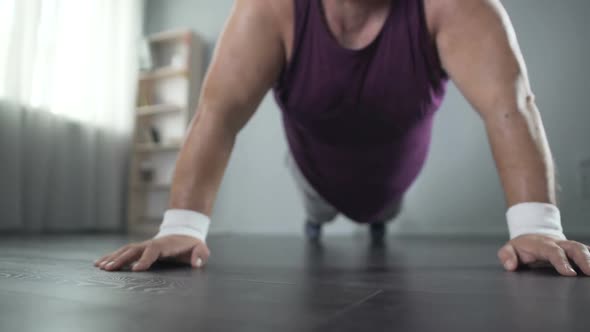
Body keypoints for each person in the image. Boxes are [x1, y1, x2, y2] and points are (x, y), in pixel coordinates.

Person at [95, 0, 590, 276]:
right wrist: (182, 226)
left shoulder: (455, 7)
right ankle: (317, 225)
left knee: (382, 211)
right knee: (319, 211)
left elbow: (512, 106)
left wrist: (538, 226)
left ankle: (376, 224)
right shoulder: (271, 11)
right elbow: (218, 113)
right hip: (313, 174)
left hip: (396, 178)